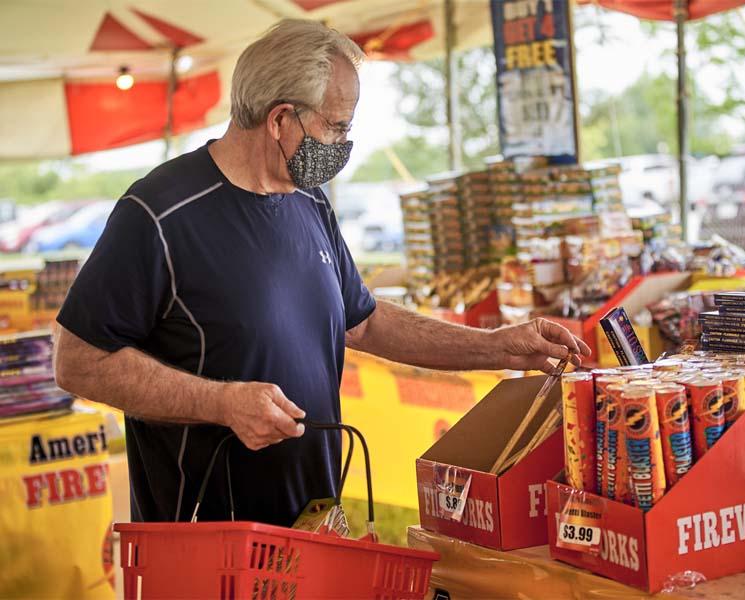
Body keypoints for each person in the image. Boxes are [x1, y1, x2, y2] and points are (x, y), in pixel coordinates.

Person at [53, 19, 590, 526]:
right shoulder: (159, 214)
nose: (342, 145)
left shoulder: (309, 201)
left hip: (311, 525)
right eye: (335, 127)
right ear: (280, 119)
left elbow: (365, 322)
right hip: (207, 542)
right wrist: (220, 403)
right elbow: (77, 361)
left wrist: (496, 347)